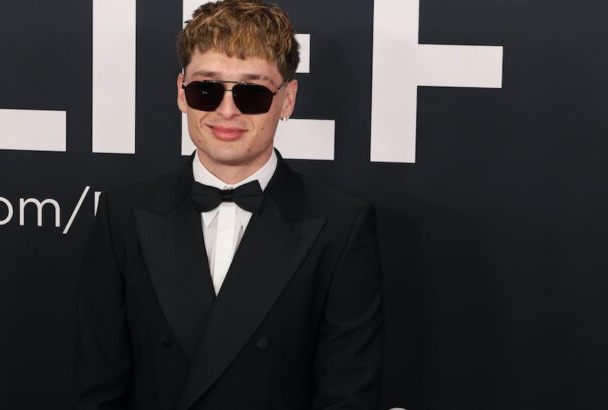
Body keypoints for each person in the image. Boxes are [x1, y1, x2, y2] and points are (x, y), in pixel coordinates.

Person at [74, 1, 383, 409]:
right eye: (206, 89)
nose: (226, 111)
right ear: (181, 93)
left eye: (252, 94)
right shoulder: (122, 216)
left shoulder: (342, 227)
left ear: (287, 100)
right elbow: (98, 389)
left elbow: (347, 396)